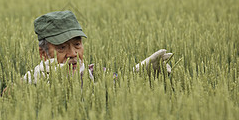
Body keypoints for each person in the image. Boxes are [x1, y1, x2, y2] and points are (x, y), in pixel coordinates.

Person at [24, 10, 173, 84]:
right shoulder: (35, 78)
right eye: (61, 48)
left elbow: (118, 82)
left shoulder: (95, 73)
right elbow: (6, 96)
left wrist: (140, 74)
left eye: (77, 44)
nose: (73, 53)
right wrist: (29, 85)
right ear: (43, 53)